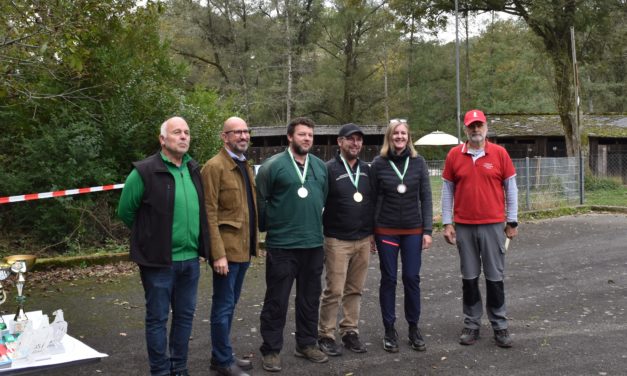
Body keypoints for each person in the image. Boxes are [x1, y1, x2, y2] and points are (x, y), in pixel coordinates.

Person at [117, 116, 210, 376]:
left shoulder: (193, 169)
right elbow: (126, 211)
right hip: (158, 261)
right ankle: (160, 371)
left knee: (184, 316)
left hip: (190, 260)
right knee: (157, 319)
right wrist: (149, 237)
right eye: (177, 132)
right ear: (162, 139)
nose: (183, 137)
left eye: (187, 132)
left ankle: (179, 367)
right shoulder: (144, 171)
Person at [256, 117, 329, 372]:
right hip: (282, 245)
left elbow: (324, 199)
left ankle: (306, 344)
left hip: (313, 244)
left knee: (310, 298)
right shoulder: (272, 166)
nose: (307, 138)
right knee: (277, 299)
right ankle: (271, 349)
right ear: (290, 137)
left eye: (310, 134)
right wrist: (271, 227)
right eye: (302, 134)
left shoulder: (320, 167)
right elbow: (261, 202)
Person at [441, 109, 519, 348]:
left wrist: (512, 221)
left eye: (479, 125)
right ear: (466, 129)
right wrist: (447, 222)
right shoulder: (455, 155)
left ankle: (500, 325)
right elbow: (447, 191)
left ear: (486, 127)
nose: (476, 130)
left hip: (494, 226)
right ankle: (472, 324)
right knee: (470, 278)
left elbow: (511, 188)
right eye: (471, 126)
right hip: (464, 226)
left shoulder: (500, 153)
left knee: (495, 277)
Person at [200, 117, 259, 376]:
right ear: (224, 137)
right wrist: (217, 253)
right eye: (237, 132)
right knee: (223, 306)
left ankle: (221, 355)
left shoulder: (244, 164)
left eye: (246, 131)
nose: (243, 136)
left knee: (230, 304)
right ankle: (222, 362)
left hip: (243, 249)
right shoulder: (214, 167)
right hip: (227, 251)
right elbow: (209, 213)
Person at [370, 118, 433, 353]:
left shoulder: (419, 162)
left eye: (403, 134)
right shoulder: (378, 163)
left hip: (413, 231)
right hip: (385, 230)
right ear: (389, 136)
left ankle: (414, 327)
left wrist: (427, 231)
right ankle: (389, 329)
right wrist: (370, 233)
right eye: (395, 133)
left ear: (409, 137)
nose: (399, 137)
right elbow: (372, 200)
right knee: (388, 279)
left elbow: (426, 198)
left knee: (411, 278)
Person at [317, 123, 374, 356]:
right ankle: (326, 334)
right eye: (350, 139)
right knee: (334, 290)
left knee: (355, 289)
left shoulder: (368, 169)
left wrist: (372, 235)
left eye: (359, 139)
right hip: (336, 240)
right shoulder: (328, 169)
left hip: (362, 240)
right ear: (340, 142)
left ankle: (350, 330)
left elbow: (372, 202)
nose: (355, 143)